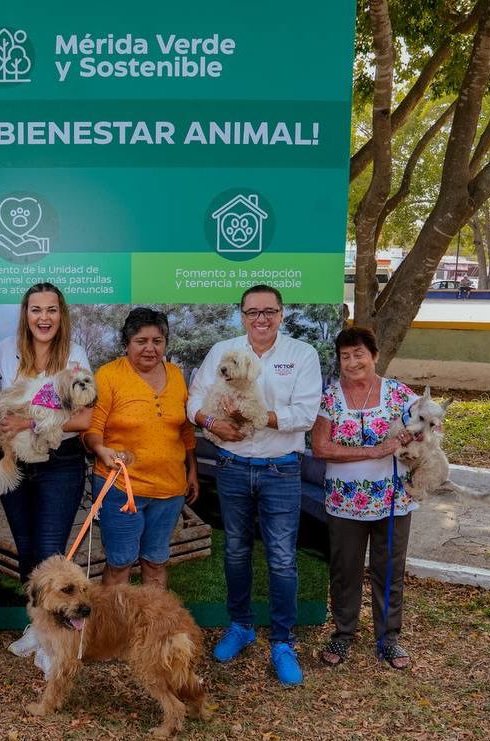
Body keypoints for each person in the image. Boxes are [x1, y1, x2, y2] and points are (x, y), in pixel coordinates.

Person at [186, 284, 322, 687]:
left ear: (282, 314)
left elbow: (306, 413)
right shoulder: (223, 351)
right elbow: (194, 401)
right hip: (231, 464)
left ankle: (282, 641)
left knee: (281, 557)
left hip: (281, 468)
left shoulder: (302, 355)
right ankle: (241, 625)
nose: (260, 319)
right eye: (252, 312)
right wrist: (214, 424)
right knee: (235, 550)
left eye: (269, 311)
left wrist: (259, 417)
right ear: (241, 316)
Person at [0, 282, 93, 662]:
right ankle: (38, 628)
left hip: (59, 464)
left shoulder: (75, 355)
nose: (43, 318)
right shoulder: (6, 351)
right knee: (27, 554)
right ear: (25, 314)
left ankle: (55, 645)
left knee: (50, 555)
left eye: (51, 310)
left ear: (61, 315)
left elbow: (85, 417)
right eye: (36, 310)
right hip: (17, 463)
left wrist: (30, 425)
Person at [311, 326, 417, 670]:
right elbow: (321, 448)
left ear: (374, 356)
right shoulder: (330, 397)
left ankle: (388, 639)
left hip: (392, 500)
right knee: (345, 570)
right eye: (345, 356)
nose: (352, 362)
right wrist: (375, 451)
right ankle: (343, 635)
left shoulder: (399, 394)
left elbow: (432, 427)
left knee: (389, 570)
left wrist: (412, 441)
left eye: (359, 354)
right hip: (344, 502)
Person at [83, 307, 199, 590]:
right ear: (126, 343)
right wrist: (100, 449)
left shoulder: (175, 374)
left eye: (157, 341)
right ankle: (113, 630)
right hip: (121, 487)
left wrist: (192, 470)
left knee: (156, 561)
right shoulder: (108, 375)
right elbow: (91, 428)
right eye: (141, 341)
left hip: (170, 490)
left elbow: (184, 428)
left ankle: (152, 630)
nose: (150, 348)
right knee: (120, 563)